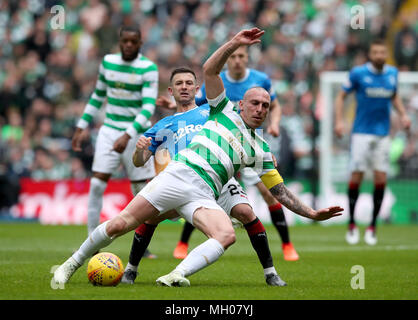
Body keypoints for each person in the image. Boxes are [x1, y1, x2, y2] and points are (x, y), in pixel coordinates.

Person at [53, 28, 343, 288]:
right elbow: (210, 70)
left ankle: (175, 274)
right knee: (120, 224)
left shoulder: (261, 149)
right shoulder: (222, 110)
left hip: (206, 191)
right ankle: (71, 264)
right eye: (254, 103)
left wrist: (313, 214)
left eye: (265, 106)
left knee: (227, 234)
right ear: (241, 103)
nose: (260, 109)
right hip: (179, 175)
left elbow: (280, 192)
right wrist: (233, 43)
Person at [121, 67, 285, 286]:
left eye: (189, 83)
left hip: (220, 180)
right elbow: (139, 161)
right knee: (151, 218)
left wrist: (264, 152)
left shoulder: (211, 110)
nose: (184, 87)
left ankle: (271, 273)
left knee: (247, 213)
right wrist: (139, 151)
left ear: (197, 89)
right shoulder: (163, 125)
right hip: (184, 180)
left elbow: (245, 126)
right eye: (179, 84)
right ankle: (131, 270)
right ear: (171, 90)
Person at [171, 44, 299, 261]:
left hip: (249, 146)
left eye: (242, 56)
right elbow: (199, 106)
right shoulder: (219, 80)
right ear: (228, 60)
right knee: (204, 191)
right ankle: (182, 243)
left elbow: (275, 106)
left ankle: (287, 244)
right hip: (220, 145)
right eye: (234, 57)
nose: (237, 60)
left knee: (268, 193)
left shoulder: (261, 80)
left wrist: (275, 124)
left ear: (247, 59)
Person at [71, 25, 158, 257]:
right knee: (97, 184)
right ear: (120, 42)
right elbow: (98, 96)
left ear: (140, 43)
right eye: (125, 41)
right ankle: (91, 242)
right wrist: (82, 125)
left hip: (137, 135)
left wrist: (128, 134)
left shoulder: (148, 68)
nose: (128, 45)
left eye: (133, 41)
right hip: (109, 131)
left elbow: (148, 107)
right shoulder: (108, 62)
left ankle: (142, 244)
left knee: (141, 191)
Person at [334, 39, 411, 246]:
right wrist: (339, 121)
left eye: (382, 52)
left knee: (380, 178)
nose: (379, 55)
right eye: (375, 52)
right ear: (370, 54)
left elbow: (394, 96)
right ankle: (351, 224)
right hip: (361, 133)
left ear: (386, 53)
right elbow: (341, 96)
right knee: (357, 176)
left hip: (383, 134)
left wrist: (403, 114)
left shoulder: (392, 73)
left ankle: (372, 227)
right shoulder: (358, 73)